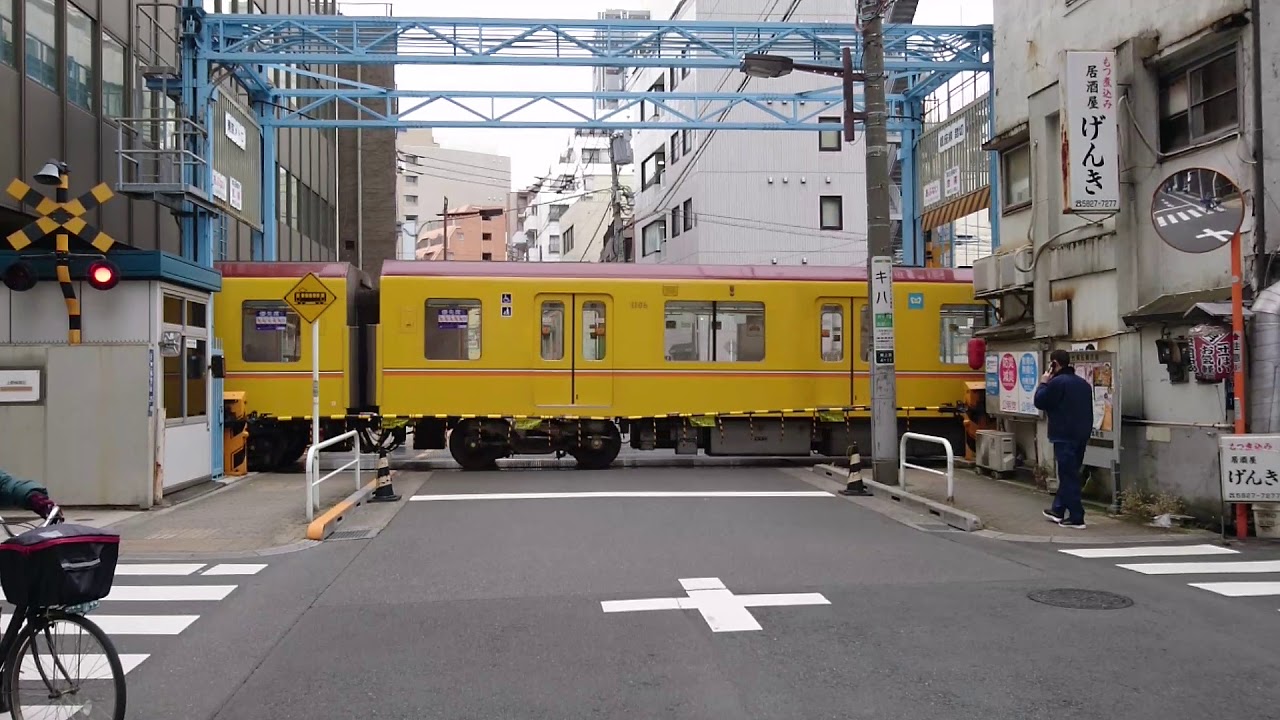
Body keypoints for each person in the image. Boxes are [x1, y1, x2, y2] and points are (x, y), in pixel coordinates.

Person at [1034, 349, 1095, 529]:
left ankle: (1077, 517)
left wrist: (1044, 383)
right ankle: (1058, 509)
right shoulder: (1083, 384)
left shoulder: (1057, 383)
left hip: (1063, 435)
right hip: (1081, 435)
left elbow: (1040, 401)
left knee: (1068, 477)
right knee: (1070, 473)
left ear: (1054, 363)